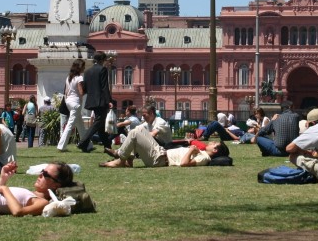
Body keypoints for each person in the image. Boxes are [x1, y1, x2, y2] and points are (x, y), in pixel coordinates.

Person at [99, 123, 229, 168]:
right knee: (140, 129)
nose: (211, 142)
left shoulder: (204, 158)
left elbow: (184, 164)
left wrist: (191, 150)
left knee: (133, 133)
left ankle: (120, 156)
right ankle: (127, 159)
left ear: (216, 150)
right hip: (161, 152)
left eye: (213, 143)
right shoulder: (203, 154)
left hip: (159, 159)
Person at [78, 52, 112, 153]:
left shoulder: (88, 71)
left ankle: (107, 146)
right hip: (101, 100)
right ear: (102, 60)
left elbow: (86, 87)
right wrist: (109, 100)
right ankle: (83, 142)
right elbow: (104, 86)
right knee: (98, 122)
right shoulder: (102, 69)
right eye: (105, 60)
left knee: (101, 125)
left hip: (92, 99)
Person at [105, 105, 171, 157]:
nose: (143, 118)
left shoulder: (160, 122)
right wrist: (132, 134)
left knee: (137, 135)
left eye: (144, 115)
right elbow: (136, 129)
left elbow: (153, 134)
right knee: (135, 133)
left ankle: (120, 153)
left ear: (151, 113)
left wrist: (137, 135)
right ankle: (123, 155)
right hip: (155, 145)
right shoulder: (147, 123)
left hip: (163, 147)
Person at [57, 59, 87, 152]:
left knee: (80, 125)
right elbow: (81, 92)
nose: (84, 68)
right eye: (83, 66)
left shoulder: (69, 78)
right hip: (76, 103)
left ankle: (87, 145)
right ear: (79, 67)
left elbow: (66, 92)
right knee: (70, 125)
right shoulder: (79, 78)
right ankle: (61, 146)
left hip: (69, 102)